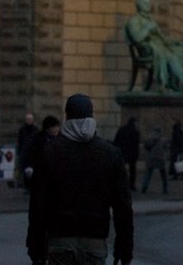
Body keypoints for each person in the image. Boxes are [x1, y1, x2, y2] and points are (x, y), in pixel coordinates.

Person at [26, 93, 133, 265]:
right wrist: (125, 247)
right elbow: (123, 206)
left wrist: (35, 245)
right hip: (94, 241)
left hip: (60, 239)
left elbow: (38, 204)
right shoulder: (110, 154)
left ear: (67, 117)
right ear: (91, 116)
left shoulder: (50, 152)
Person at [123, 0, 183, 92]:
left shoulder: (150, 19)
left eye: (148, 3)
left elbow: (163, 38)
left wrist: (176, 42)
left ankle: (174, 83)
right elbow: (137, 38)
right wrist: (147, 28)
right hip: (149, 51)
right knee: (171, 57)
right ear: (139, 5)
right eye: (145, 3)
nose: (148, 5)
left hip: (160, 47)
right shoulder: (134, 21)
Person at [23, 115, 61, 190]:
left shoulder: (61, 138)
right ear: (47, 129)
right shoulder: (38, 138)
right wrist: (29, 166)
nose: (56, 129)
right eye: (53, 127)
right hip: (42, 171)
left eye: (57, 127)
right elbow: (31, 153)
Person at [114, 117, 141, 191]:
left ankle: (119, 184)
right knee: (132, 170)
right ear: (134, 123)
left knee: (120, 169)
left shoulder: (122, 129)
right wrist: (137, 154)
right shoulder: (135, 131)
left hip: (122, 152)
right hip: (132, 153)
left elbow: (116, 140)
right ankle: (131, 185)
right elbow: (135, 144)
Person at [141, 126, 168, 195]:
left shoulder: (149, 139)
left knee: (148, 173)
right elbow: (166, 148)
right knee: (163, 175)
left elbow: (146, 147)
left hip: (151, 158)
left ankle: (144, 186)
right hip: (160, 158)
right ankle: (165, 189)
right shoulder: (163, 139)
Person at [16, 113, 38, 189]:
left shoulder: (35, 129)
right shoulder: (22, 130)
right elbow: (19, 141)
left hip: (33, 153)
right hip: (24, 153)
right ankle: (26, 185)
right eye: (28, 119)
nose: (29, 121)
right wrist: (19, 152)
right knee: (25, 170)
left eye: (30, 119)